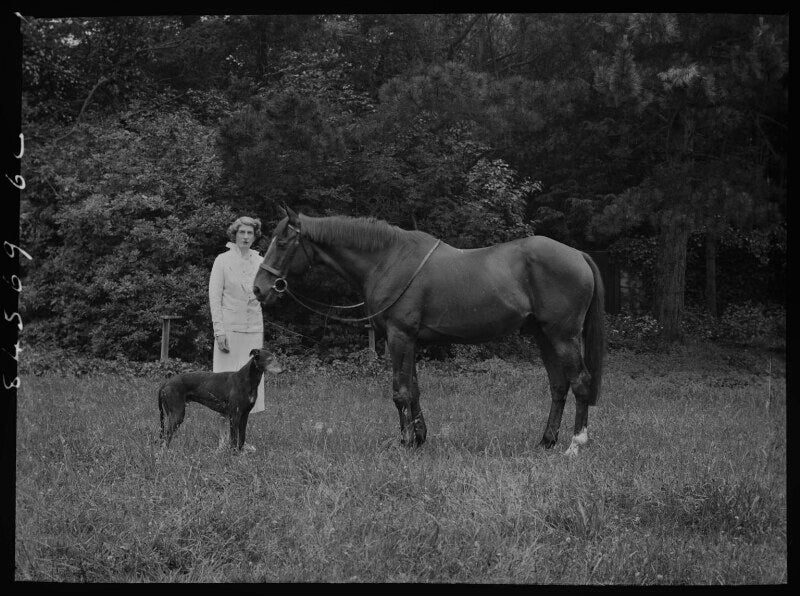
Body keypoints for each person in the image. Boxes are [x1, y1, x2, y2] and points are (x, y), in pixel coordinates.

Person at [208, 215, 269, 451]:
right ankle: (224, 442)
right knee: (226, 388)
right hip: (229, 331)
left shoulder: (260, 261)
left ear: (255, 236)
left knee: (248, 389)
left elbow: (265, 292)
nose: (245, 237)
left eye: (250, 233)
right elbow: (215, 296)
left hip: (253, 329)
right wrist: (219, 330)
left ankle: (239, 442)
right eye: (242, 232)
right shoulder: (222, 260)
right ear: (235, 234)